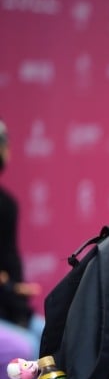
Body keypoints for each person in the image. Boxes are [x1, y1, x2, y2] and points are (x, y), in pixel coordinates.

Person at [0, 119, 43, 361]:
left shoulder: (7, 204)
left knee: (51, 336)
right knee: (26, 349)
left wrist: (13, 290)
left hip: (11, 308)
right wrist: (9, 287)